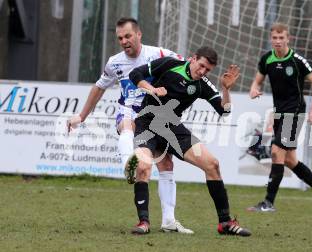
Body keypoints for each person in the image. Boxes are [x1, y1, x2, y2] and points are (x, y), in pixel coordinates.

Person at [66, 17, 193, 233]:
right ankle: (128, 166)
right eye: (120, 38)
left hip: (155, 116)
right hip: (129, 111)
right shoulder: (114, 62)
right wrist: (82, 116)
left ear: (139, 35)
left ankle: (169, 221)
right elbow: (99, 87)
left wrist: (193, 66)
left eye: (128, 36)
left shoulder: (158, 54)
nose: (124, 41)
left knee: (166, 165)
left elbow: (186, 65)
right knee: (127, 125)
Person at [127, 46, 251, 236]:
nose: (202, 72)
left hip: (171, 127)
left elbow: (224, 111)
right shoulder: (170, 64)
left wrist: (226, 90)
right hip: (147, 122)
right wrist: (152, 89)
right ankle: (143, 221)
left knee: (212, 164)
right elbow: (136, 74)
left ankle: (225, 223)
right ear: (193, 59)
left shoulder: (203, 84)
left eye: (207, 70)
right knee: (143, 167)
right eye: (201, 66)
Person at [247, 23, 312, 213]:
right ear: (271, 39)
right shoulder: (266, 59)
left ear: (288, 39)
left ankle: (268, 202)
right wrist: (254, 89)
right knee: (289, 160)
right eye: (275, 38)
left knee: (276, 151)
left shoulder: (297, 61)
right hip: (279, 112)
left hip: (295, 111)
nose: (278, 41)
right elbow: (257, 80)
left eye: (281, 38)